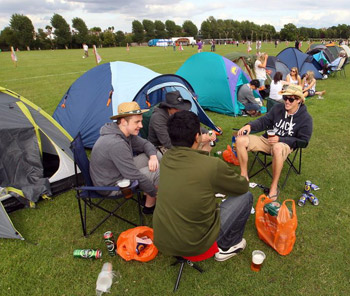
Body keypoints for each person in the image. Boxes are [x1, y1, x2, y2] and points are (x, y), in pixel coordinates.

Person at [152, 111, 252, 261]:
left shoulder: (166, 158)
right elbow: (242, 187)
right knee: (246, 196)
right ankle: (227, 245)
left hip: (164, 240)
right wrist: (244, 174)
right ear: (197, 137)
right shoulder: (212, 165)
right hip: (195, 244)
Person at [235, 84, 313, 199]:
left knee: (277, 147)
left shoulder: (305, 118)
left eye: (291, 99)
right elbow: (264, 120)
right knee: (240, 140)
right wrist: (250, 126)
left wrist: (280, 139)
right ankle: (243, 176)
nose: (287, 101)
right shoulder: (278, 108)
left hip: (285, 145)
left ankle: (274, 186)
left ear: (299, 100)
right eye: (285, 98)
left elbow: (303, 141)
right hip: (267, 140)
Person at [90, 102, 160, 215]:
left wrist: (153, 157)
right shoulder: (116, 143)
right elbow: (133, 175)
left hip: (117, 171)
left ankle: (147, 196)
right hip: (111, 185)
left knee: (157, 156)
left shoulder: (123, 132)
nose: (141, 126)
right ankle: (150, 206)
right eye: (137, 122)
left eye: (141, 121)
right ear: (123, 121)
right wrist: (155, 192)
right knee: (156, 172)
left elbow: (146, 144)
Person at [148, 90, 216, 154]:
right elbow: (167, 143)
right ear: (169, 107)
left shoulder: (177, 113)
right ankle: (192, 160)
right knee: (194, 145)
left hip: (177, 140)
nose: (180, 110)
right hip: (160, 147)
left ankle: (198, 160)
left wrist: (208, 132)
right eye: (177, 108)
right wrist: (192, 143)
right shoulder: (158, 117)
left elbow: (191, 125)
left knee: (209, 141)